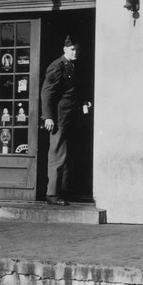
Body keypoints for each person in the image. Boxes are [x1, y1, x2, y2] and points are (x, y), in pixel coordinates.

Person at [40, 36, 82, 205]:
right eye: (72, 49)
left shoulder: (72, 65)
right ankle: (52, 194)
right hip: (59, 118)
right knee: (57, 155)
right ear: (64, 49)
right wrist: (48, 117)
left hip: (70, 117)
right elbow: (47, 92)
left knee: (67, 155)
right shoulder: (57, 66)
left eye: (77, 49)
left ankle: (63, 190)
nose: (75, 52)